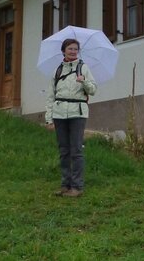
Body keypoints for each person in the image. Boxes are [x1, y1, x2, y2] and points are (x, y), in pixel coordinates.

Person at [45, 38, 97, 198]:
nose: (73, 51)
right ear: (63, 51)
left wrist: (84, 82)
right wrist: (49, 118)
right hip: (59, 114)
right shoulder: (57, 70)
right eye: (70, 48)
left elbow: (93, 90)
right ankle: (65, 185)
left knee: (76, 150)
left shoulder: (84, 68)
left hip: (78, 113)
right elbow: (50, 96)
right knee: (64, 151)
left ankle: (77, 187)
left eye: (75, 49)